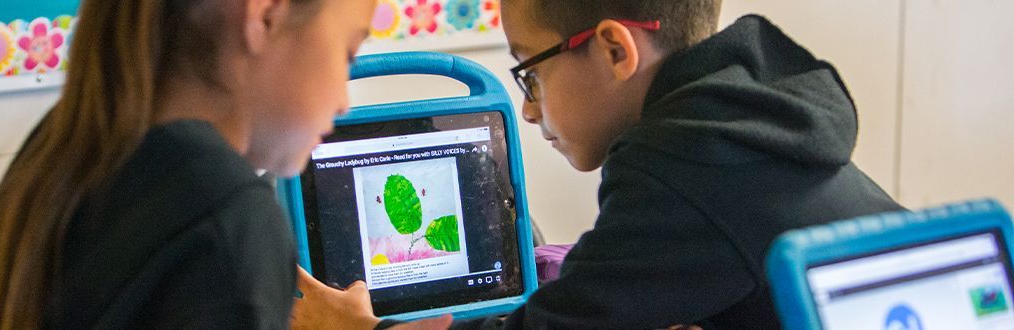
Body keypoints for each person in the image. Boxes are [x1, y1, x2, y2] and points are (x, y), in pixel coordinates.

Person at [292, 0, 904, 328]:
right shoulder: (749, 118)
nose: (529, 112)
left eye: (530, 69)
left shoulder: (687, 165)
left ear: (614, 49)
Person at [0, 0, 376, 328]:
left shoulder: (64, 146)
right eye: (347, 54)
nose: (343, 99)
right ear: (264, 16)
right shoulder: (229, 214)